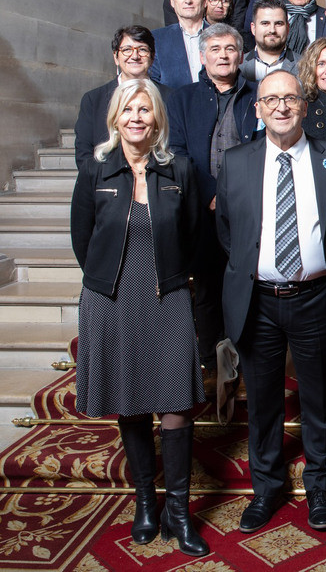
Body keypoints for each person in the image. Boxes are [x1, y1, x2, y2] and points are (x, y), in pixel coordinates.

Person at [70, 79, 207, 556]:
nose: (135, 117)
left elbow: (193, 234)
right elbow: (82, 241)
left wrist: (177, 277)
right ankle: (145, 503)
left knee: (174, 405)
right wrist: (109, 283)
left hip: (167, 295)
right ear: (115, 117)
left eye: (144, 110)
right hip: (112, 299)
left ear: (156, 120)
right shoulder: (95, 171)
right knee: (130, 401)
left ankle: (179, 512)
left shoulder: (179, 170)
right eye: (128, 109)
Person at [215, 70, 326, 536]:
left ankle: (319, 487)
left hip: (315, 297)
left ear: (304, 105)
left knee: (319, 399)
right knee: (263, 402)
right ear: (257, 108)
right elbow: (228, 233)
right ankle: (267, 489)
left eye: (289, 99)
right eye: (270, 99)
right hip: (258, 299)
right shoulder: (235, 162)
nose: (280, 107)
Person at [166, 25, 261, 369]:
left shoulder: (258, 95)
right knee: (206, 288)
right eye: (216, 48)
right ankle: (209, 364)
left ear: (241, 55)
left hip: (249, 208)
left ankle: (246, 361)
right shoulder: (182, 98)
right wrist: (209, 193)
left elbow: (264, 149)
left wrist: (239, 195)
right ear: (203, 56)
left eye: (230, 48)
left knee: (247, 286)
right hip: (200, 210)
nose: (223, 55)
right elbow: (175, 152)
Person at [75, 26, 165, 173]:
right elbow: (84, 152)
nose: (134, 56)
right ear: (116, 57)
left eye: (142, 49)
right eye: (127, 50)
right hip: (106, 184)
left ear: (152, 57)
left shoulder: (171, 97)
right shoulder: (93, 100)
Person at [150, 0, 207, 89]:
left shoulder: (221, 36)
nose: (188, 0)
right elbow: (152, 85)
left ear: (204, 1)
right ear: (172, 1)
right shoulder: (156, 39)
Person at [239, 0, 297, 83]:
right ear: (253, 28)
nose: (272, 30)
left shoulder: (303, 65)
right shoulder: (238, 65)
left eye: (278, 24)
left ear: (288, 28)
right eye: (265, 23)